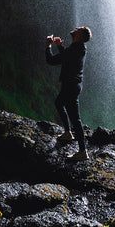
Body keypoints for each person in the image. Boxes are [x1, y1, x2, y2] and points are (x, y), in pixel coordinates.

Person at [45, 26, 92, 161]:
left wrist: (48, 46)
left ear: (80, 35)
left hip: (71, 86)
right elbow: (68, 58)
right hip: (74, 85)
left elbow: (52, 60)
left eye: (79, 29)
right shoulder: (79, 48)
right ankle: (67, 133)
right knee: (59, 103)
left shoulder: (75, 49)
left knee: (76, 119)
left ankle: (83, 151)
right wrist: (60, 47)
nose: (76, 28)